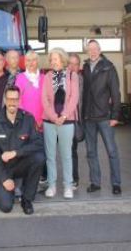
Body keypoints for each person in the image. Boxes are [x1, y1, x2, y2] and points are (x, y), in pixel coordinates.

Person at [0, 86, 46, 215]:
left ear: (19, 100)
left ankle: (27, 199)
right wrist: (4, 179)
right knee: (6, 206)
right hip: (3, 168)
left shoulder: (28, 118)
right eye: (9, 99)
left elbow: (38, 144)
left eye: (15, 99)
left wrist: (16, 153)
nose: (12, 102)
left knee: (39, 158)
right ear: (4, 100)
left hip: (21, 164)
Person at [82, 40, 122, 195]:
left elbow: (115, 93)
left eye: (95, 49)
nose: (92, 52)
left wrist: (115, 115)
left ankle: (116, 183)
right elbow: (84, 93)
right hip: (89, 118)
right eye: (89, 49)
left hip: (105, 116)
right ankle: (95, 182)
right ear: (87, 51)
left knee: (112, 151)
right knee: (91, 152)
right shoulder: (85, 67)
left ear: (100, 50)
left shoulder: (108, 67)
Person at [42, 48, 79, 199]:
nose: (53, 62)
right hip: (49, 121)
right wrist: (52, 116)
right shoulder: (47, 76)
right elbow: (44, 99)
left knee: (66, 155)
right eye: (51, 59)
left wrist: (63, 115)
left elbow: (74, 98)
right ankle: (51, 185)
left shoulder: (72, 75)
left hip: (67, 120)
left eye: (55, 59)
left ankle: (68, 186)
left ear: (62, 59)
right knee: (50, 155)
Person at [15, 49, 47, 194]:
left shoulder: (44, 78)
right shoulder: (20, 78)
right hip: (26, 124)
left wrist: (41, 119)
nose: (31, 63)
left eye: (33, 60)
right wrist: (29, 121)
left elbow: (48, 101)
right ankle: (25, 184)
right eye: (28, 60)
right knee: (27, 154)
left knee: (42, 154)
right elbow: (18, 102)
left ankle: (42, 181)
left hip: (42, 123)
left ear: (37, 61)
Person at [68, 53, 84, 190]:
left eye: (76, 64)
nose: (73, 66)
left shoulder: (82, 80)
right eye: (70, 63)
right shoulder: (60, 79)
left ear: (79, 67)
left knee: (72, 151)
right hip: (58, 121)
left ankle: (74, 179)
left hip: (74, 121)